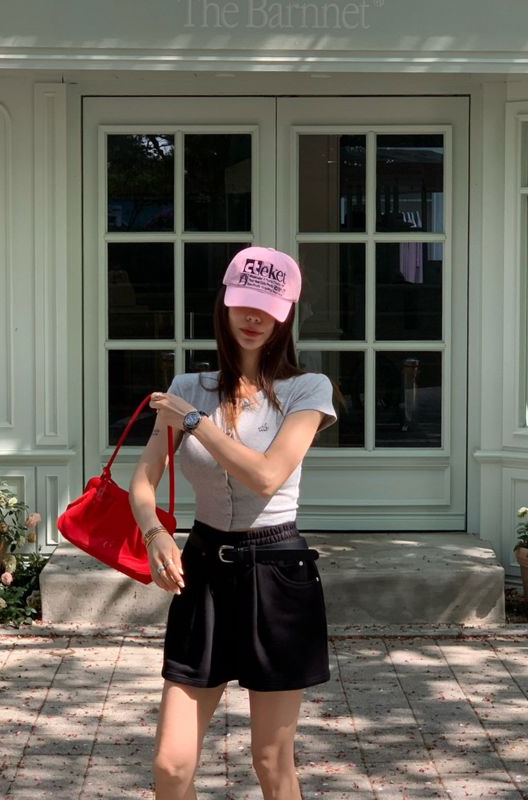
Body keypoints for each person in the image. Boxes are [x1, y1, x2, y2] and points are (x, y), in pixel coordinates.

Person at [129, 246, 337, 800]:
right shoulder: (186, 388)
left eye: (268, 308)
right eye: (244, 303)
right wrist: (155, 534)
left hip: (277, 572)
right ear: (224, 304)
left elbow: (266, 477)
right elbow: (143, 481)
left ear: (285, 315)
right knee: (171, 766)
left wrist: (196, 423)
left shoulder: (308, 390)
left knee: (271, 761)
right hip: (202, 570)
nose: (253, 317)